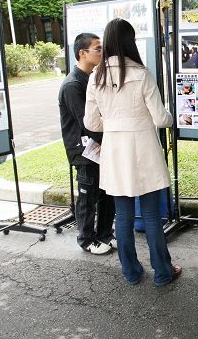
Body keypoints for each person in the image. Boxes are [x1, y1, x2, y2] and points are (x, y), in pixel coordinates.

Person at [84, 18, 181, 287]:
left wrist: (114, 125)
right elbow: (161, 119)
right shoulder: (142, 73)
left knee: (122, 216)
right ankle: (163, 272)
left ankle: (131, 273)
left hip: (114, 150)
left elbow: (91, 123)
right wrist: (171, 116)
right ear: (130, 41)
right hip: (143, 148)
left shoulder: (96, 76)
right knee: (150, 215)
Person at [58, 32, 116, 255]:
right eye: (97, 49)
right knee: (87, 196)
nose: (102, 52)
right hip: (85, 151)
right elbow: (87, 122)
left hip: (101, 147)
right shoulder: (73, 85)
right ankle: (86, 239)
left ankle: (104, 235)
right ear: (82, 53)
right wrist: (107, 140)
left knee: (107, 194)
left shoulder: (93, 78)